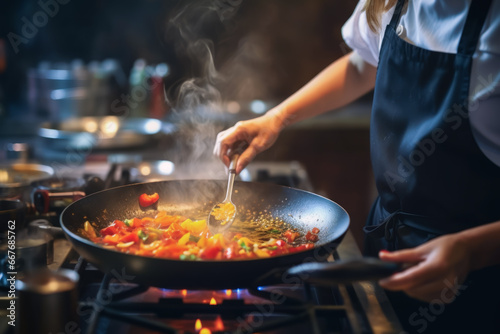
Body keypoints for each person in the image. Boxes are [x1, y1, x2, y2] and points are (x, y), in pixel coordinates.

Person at [213, 0, 500, 333]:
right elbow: (363, 65)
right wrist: (276, 118)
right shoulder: (391, 3)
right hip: (388, 246)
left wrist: (471, 250)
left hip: (480, 276)